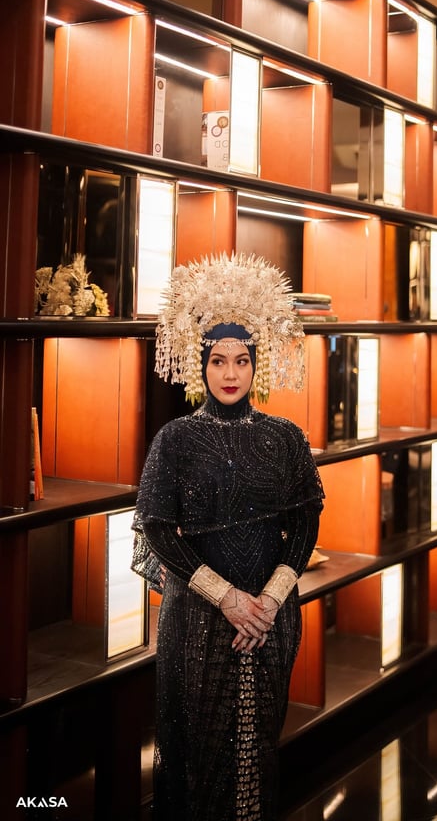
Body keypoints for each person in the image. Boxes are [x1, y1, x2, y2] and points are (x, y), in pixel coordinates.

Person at [132, 253, 325, 820]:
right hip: (199, 616)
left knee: (257, 744)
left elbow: (306, 522)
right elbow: (158, 530)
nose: (230, 373)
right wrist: (228, 600)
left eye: (242, 360)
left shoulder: (285, 438)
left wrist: (267, 602)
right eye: (218, 361)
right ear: (202, 365)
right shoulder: (175, 439)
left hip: (270, 615)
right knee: (198, 748)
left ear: (255, 365)